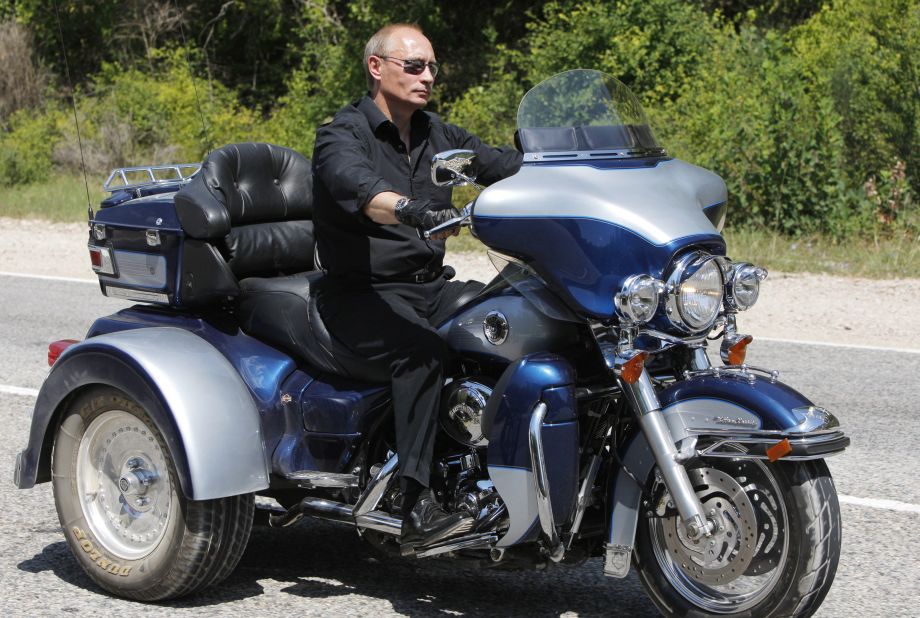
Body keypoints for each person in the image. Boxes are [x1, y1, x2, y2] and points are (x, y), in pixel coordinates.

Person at [311, 23, 522, 552]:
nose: (428, 77)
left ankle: (502, 469)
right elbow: (358, 188)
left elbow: (495, 164)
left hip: (429, 286)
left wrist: (557, 162)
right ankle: (415, 502)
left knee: (516, 318)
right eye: (415, 66)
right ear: (376, 67)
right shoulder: (341, 133)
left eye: (432, 67)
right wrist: (413, 210)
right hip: (361, 294)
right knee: (422, 351)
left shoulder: (436, 135)